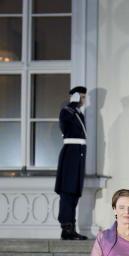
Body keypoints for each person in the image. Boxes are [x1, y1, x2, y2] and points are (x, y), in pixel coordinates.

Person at [55, 85, 88, 240]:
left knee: (74, 192)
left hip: (79, 154)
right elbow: (65, 123)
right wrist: (72, 104)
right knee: (68, 191)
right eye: (79, 97)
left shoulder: (79, 114)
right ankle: (66, 227)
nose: (82, 100)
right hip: (70, 153)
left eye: (83, 97)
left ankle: (71, 227)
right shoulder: (67, 111)